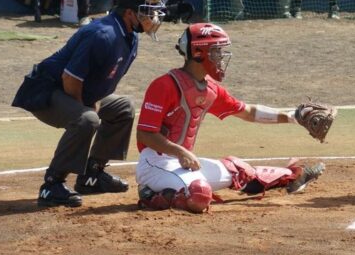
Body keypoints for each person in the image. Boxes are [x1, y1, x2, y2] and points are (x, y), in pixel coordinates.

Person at [135, 23, 325, 213]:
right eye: (216, 51)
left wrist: (293, 117)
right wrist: (180, 152)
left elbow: (248, 111)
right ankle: (150, 193)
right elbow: (145, 134)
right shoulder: (164, 85)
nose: (220, 57)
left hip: (182, 163)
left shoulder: (210, 89)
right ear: (199, 52)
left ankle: (293, 179)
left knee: (238, 171)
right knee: (199, 194)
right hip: (155, 163)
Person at [11, 0, 167, 208]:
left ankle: (91, 176)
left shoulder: (129, 35)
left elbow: (102, 80)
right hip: (45, 91)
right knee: (87, 119)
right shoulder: (102, 34)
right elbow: (70, 78)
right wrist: (86, 106)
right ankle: (52, 185)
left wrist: (91, 102)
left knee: (123, 107)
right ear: (130, 13)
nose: (153, 16)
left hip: (70, 89)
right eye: (148, 10)